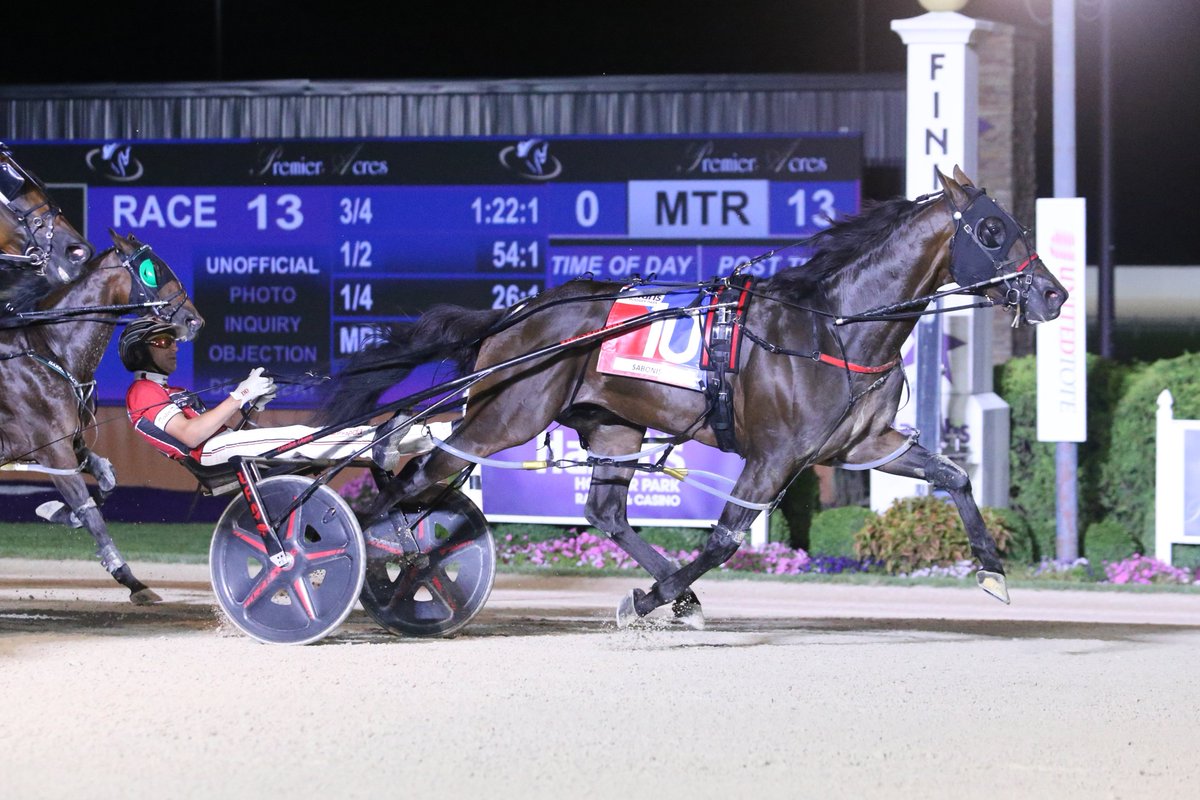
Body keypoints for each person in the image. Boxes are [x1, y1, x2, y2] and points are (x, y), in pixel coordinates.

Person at [120, 318, 443, 470]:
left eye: (173, 340)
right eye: (162, 342)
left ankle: (432, 436)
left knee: (313, 436)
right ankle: (394, 440)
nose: (174, 346)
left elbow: (233, 434)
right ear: (139, 352)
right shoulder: (143, 391)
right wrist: (239, 396)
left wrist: (253, 406)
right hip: (208, 453)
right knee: (305, 437)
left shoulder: (170, 390)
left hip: (221, 446)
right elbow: (191, 437)